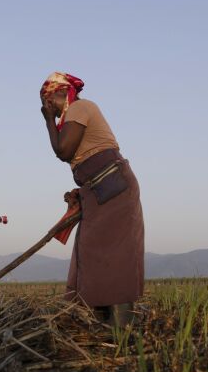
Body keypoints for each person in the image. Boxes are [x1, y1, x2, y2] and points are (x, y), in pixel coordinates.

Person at [39, 72, 144, 327]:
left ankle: (121, 323)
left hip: (113, 185)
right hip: (98, 188)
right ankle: (98, 317)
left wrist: (48, 122)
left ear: (61, 93)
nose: (47, 106)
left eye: (49, 100)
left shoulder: (80, 107)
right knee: (89, 250)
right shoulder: (73, 116)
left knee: (115, 251)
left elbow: (63, 151)